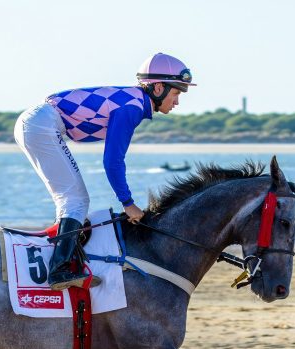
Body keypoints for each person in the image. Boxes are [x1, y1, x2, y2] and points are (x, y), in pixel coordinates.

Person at [14, 52, 196, 291]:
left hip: (38, 123)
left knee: (73, 199)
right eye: (176, 93)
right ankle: (60, 270)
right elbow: (112, 161)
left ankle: (66, 257)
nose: (177, 102)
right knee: (76, 200)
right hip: (41, 125)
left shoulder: (133, 101)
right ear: (159, 87)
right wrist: (128, 203)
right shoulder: (132, 106)